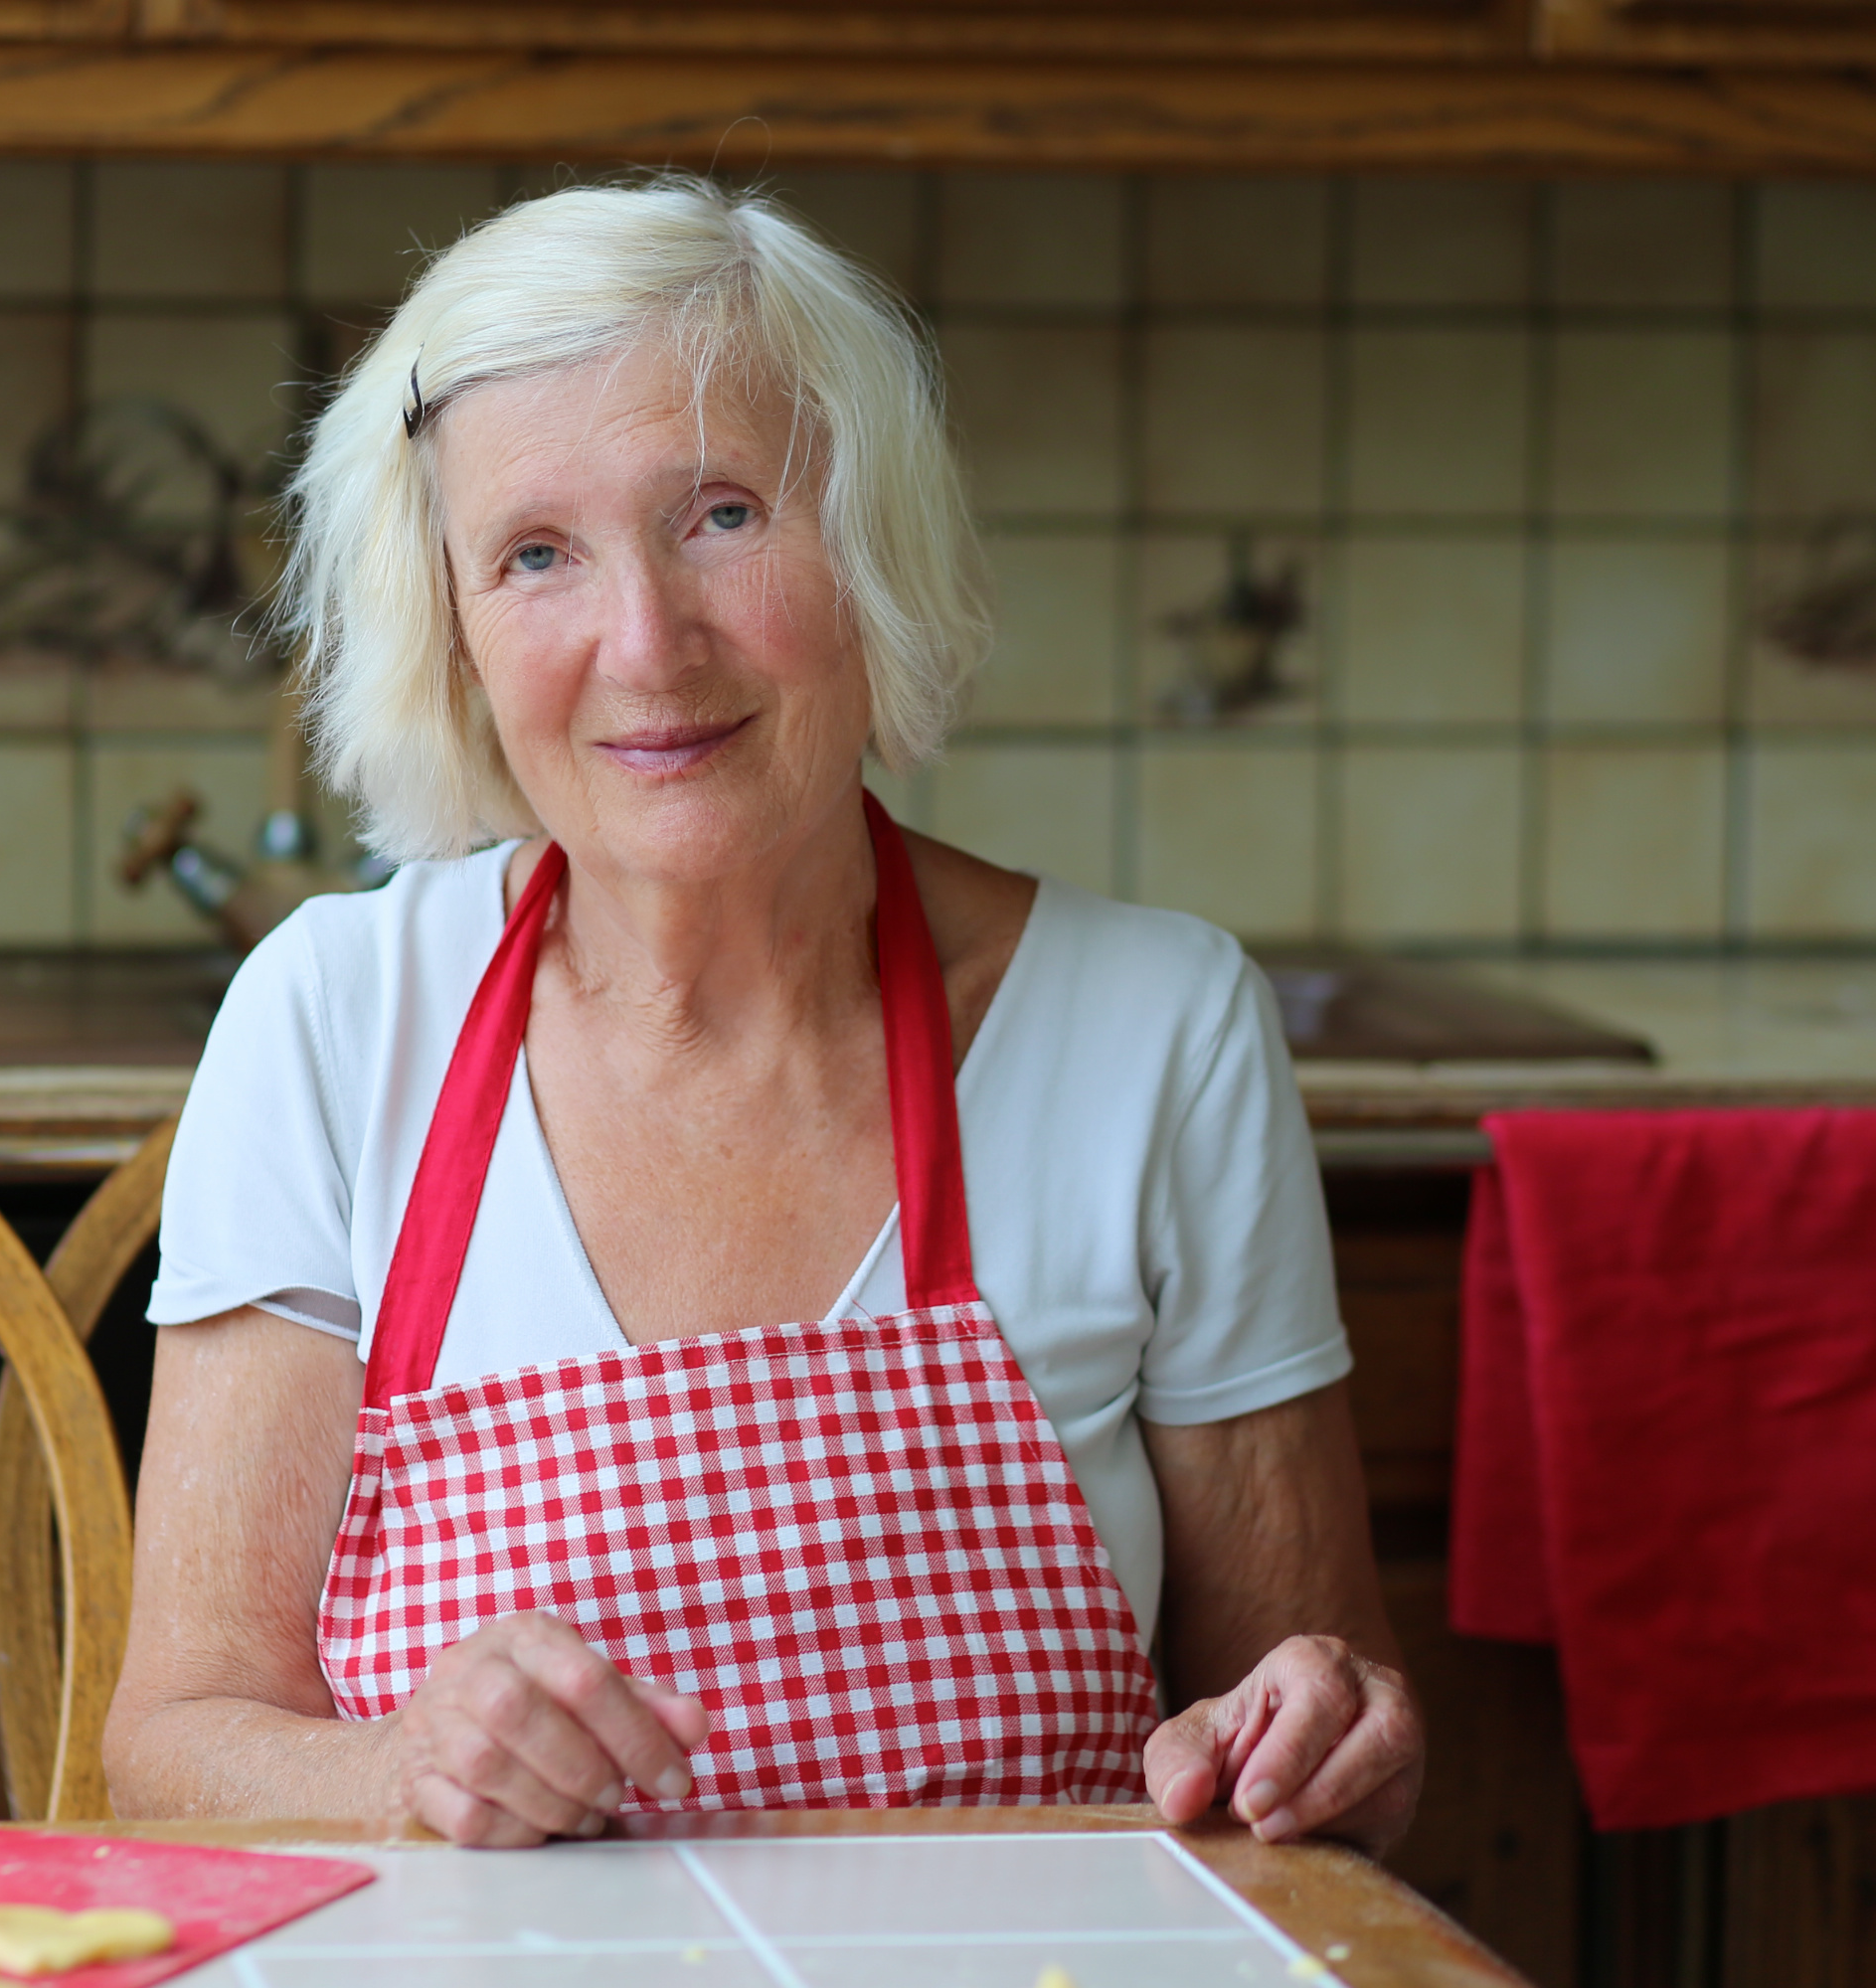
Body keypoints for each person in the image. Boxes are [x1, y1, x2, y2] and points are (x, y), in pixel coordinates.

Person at [103, 176, 1423, 1852]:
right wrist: (396, 1772)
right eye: (534, 555)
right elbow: (170, 1749)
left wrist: (1328, 1734)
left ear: (874, 549)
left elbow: (1325, 1766)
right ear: (453, 632)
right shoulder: (332, 1019)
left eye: (722, 514)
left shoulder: (1159, 1031)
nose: (647, 645)